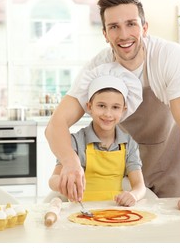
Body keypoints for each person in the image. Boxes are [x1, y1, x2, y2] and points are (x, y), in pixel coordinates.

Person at [45, 0, 180, 214]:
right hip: (126, 170)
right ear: (105, 34)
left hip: (172, 167)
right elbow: (55, 125)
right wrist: (70, 161)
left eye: (131, 24)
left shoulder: (169, 57)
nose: (123, 34)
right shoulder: (97, 69)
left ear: (144, 28)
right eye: (114, 27)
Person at [48, 62, 146, 206]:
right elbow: (53, 179)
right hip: (80, 212)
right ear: (89, 107)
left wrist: (133, 195)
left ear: (123, 110)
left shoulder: (129, 144)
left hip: (115, 213)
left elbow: (139, 186)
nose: (108, 114)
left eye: (115, 107)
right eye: (101, 106)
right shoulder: (75, 142)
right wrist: (64, 183)